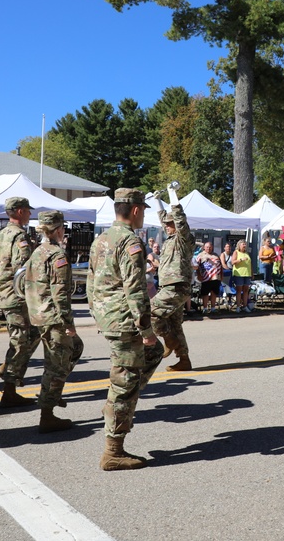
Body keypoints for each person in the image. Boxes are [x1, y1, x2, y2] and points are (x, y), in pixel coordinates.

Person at [89, 188, 163, 471]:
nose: (144, 214)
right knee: (126, 380)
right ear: (134, 210)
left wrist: (98, 314)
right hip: (125, 322)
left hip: (110, 317)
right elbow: (136, 289)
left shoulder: (102, 239)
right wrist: (145, 329)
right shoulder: (130, 242)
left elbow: (91, 283)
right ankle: (113, 450)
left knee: (154, 354)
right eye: (143, 210)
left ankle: (119, 401)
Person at [24, 210, 84, 433]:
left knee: (74, 349)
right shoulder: (57, 256)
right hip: (53, 318)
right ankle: (47, 413)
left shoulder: (37, 252)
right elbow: (60, 295)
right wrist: (68, 323)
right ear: (58, 230)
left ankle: (52, 395)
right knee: (56, 365)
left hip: (39, 314)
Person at [0, 196, 40, 408]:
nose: (29, 213)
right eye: (26, 210)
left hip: (1, 294)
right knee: (21, 341)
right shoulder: (19, 237)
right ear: (17, 211)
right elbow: (23, 269)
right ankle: (9, 389)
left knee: (29, 335)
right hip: (16, 296)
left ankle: (8, 367)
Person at [151, 183, 195, 371]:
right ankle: (184, 359)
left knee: (150, 312)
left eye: (170, 225)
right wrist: (157, 201)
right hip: (170, 286)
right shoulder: (170, 239)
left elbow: (179, 219)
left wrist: (172, 194)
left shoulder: (183, 238)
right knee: (175, 324)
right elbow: (164, 219)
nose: (167, 227)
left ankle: (169, 340)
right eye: (166, 225)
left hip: (176, 286)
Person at [196, 242, 222, 314]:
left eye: (210, 247)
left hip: (216, 277)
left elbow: (220, 266)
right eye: (207, 247)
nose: (208, 248)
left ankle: (213, 308)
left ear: (212, 247)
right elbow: (196, 266)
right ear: (204, 247)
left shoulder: (216, 255)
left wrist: (221, 276)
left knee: (214, 293)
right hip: (206, 278)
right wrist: (199, 275)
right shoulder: (200, 255)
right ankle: (205, 308)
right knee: (205, 293)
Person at [230, 239, 252, 313]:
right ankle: (238, 306)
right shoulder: (236, 252)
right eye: (243, 244)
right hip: (239, 274)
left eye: (245, 244)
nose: (244, 246)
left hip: (247, 274)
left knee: (246, 290)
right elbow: (233, 262)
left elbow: (250, 264)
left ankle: (245, 306)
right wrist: (241, 260)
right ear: (239, 245)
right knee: (239, 290)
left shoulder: (247, 253)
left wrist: (251, 273)